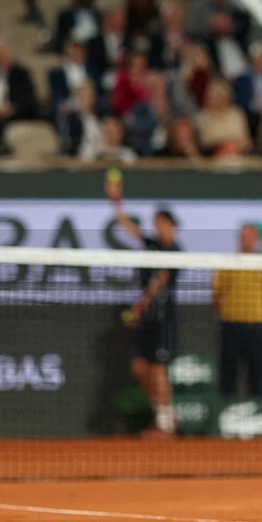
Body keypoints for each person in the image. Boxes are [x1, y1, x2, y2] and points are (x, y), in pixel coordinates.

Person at [106, 173, 181, 438]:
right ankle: (165, 412)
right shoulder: (152, 245)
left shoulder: (175, 252)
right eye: (156, 223)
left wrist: (140, 305)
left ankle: (164, 423)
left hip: (163, 319)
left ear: (172, 225)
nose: (158, 227)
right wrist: (116, 199)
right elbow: (124, 223)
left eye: (162, 223)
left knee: (159, 369)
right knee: (139, 368)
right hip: (147, 318)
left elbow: (160, 281)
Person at [210, 223, 262, 403]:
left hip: (257, 328)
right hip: (231, 327)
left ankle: (258, 418)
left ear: (257, 240)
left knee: (257, 376)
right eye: (243, 236)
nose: (246, 240)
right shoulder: (227, 263)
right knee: (228, 376)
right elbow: (216, 296)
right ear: (238, 239)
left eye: (250, 236)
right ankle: (226, 419)